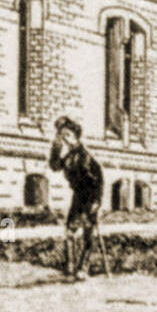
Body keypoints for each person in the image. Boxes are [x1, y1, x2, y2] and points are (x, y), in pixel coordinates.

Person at [49, 115, 104, 279]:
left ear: (75, 136)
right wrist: (55, 147)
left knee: (87, 232)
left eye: (67, 135)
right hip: (78, 196)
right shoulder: (69, 156)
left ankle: (83, 268)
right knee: (70, 232)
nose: (64, 138)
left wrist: (96, 202)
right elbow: (54, 166)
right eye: (61, 135)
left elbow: (98, 180)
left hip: (90, 196)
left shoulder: (85, 157)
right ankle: (70, 266)